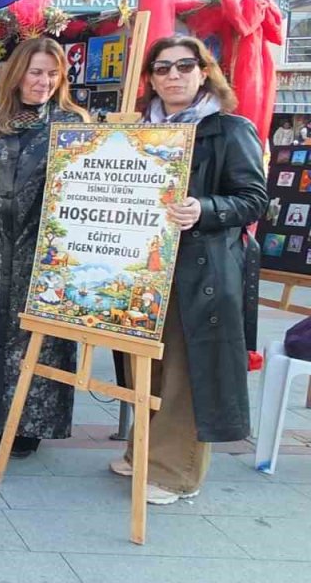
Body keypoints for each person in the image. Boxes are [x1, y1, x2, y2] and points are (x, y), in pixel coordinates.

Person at [108, 35, 265, 504]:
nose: (173, 75)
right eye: (162, 68)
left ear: (204, 71)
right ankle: (143, 453)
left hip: (202, 272)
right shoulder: (141, 130)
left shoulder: (231, 128)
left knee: (186, 373)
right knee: (147, 366)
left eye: (183, 66)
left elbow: (255, 199)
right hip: (145, 266)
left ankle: (176, 472)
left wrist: (206, 208)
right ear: (150, 78)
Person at [0, 36, 89, 458]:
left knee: (37, 336)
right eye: (35, 72)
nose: (43, 81)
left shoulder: (74, 121)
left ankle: (30, 425)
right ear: (18, 74)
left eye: (52, 73)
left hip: (45, 249)